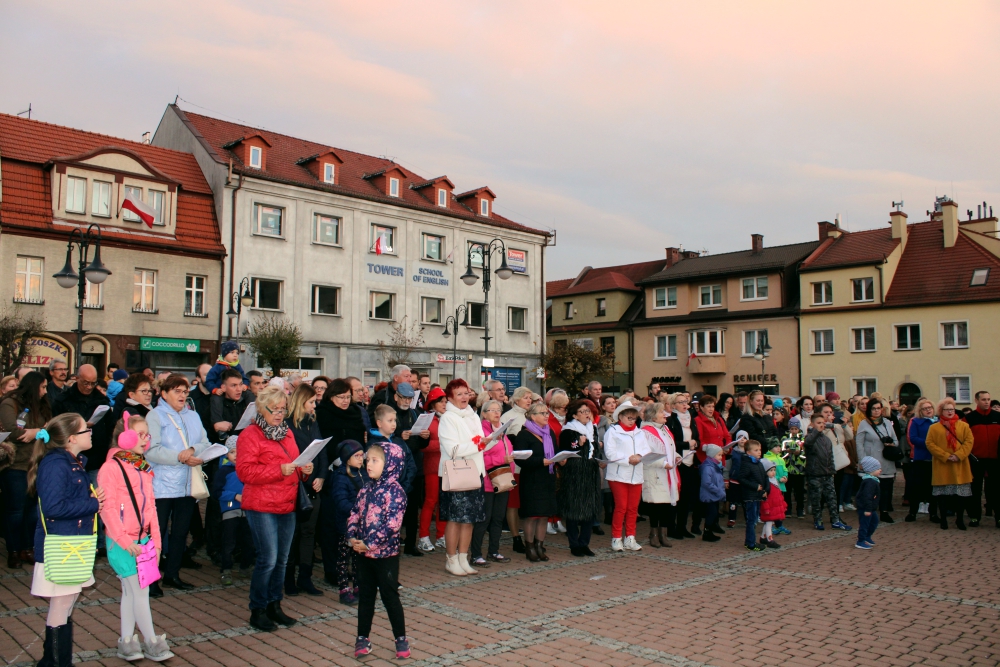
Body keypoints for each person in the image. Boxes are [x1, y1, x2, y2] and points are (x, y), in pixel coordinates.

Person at [27, 413, 103, 667]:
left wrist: (92, 499)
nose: (90, 433)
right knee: (61, 606)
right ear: (71, 438)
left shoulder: (71, 461)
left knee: (65, 604)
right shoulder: (56, 464)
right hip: (62, 545)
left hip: (72, 543)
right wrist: (92, 504)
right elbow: (54, 507)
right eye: (85, 430)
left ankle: (54, 660)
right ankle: (56, 662)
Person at [97, 412, 174, 662]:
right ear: (125, 437)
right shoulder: (110, 468)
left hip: (143, 542)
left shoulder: (142, 467)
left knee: (131, 592)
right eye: (140, 434)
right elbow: (107, 510)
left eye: (147, 435)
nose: (145, 439)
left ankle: (127, 641)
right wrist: (123, 540)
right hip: (122, 543)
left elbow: (151, 509)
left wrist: (157, 542)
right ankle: (152, 641)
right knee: (140, 592)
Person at [236, 385, 313, 631]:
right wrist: (278, 470)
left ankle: (274, 605)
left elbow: (294, 465)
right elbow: (244, 472)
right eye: (275, 410)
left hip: (287, 503)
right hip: (262, 505)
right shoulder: (250, 435)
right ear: (262, 409)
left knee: (282, 560)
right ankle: (257, 609)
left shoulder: (287, 433)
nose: (280, 414)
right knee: (268, 559)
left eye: (283, 409)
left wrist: (304, 470)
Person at [143, 374, 210, 597]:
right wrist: (180, 457)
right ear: (164, 394)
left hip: (187, 484)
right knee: (157, 533)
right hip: (162, 485)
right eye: (177, 391)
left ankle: (172, 574)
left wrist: (192, 451)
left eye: (185, 391)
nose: (182, 395)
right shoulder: (155, 415)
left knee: (180, 532)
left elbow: (205, 442)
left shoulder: (193, 416)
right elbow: (151, 450)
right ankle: (151, 579)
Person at [348, 443, 410, 660]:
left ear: (390, 463)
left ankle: (400, 638)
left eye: (375, 460)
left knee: (389, 596)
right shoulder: (366, 488)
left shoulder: (395, 492)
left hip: (386, 556)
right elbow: (355, 513)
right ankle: (362, 637)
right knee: (365, 596)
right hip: (364, 554)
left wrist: (370, 543)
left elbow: (392, 525)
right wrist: (352, 536)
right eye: (368, 460)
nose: (369, 464)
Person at [50, 364, 113, 553]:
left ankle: (98, 541)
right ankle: (79, 538)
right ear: (77, 378)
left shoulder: (101, 399)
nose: (89, 387)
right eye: (85, 382)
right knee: (76, 498)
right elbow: (58, 426)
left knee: (98, 499)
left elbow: (110, 427)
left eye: (93, 383)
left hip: (96, 456)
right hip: (72, 457)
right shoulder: (64, 399)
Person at [0, 370, 51, 568]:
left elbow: (48, 427)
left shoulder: (42, 405)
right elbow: (13, 431)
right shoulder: (9, 403)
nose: (45, 391)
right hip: (16, 465)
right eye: (43, 387)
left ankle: (27, 548)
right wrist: (37, 432)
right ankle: (13, 550)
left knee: (32, 511)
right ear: (33, 387)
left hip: (36, 464)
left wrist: (37, 432)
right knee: (15, 511)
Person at [436, 379, 487, 577]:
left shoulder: (472, 415)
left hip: (475, 472)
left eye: (466, 393)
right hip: (456, 473)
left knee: (469, 519)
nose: (464, 397)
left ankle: (463, 558)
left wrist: (491, 441)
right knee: (455, 519)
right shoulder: (448, 418)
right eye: (459, 394)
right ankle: (451, 559)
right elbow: (453, 449)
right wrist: (480, 444)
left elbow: (480, 443)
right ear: (450, 398)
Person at [283, 384, 328, 597]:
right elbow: (287, 455)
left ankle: (305, 577)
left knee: (309, 533)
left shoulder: (313, 422)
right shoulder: (287, 425)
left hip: (313, 485)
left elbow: (321, 450)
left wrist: (321, 476)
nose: (314, 406)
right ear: (301, 402)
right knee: (293, 534)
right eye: (311, 402)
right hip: (295, 485)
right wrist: (302, 469)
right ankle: (288, 578)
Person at [367, 404, 418, 557]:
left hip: (402, 488)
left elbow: (411, 464)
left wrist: (404, 486)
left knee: (404, 519)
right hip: (382, 493)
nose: (394, 424)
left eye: (395, 420)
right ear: (379, 423)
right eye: (389, 420)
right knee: (384, 523)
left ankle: (403, 548)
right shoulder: (373, 444)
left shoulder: (399, 441)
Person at [555, 400, 602, 557]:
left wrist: (599, 457)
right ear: (574, 415)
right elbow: (565, 451)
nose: (586, 414)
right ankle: (574, 544)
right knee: (574, 509)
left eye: (588, 411)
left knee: (590, 507)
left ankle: (584, 543)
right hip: (575, 472)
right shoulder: (568, 431)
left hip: (590, 471)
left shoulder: (592, 429)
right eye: (582, 411)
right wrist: (577, 444)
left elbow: (595, 449)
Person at [514, 403, 560, 562]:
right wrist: (541, 461)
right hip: (532, 479)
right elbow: (520, 459)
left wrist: (561, 458)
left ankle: (540, 546)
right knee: (532, 515)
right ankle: (530, 547)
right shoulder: (524, 435)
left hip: (547, 478)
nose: (547, 416)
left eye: (547, 413)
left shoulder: (549, 432)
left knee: (544, 515)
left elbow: (555, 451)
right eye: (543, 413)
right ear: (532, 416)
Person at [471, 399, 514, 565]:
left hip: (502, 479)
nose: (497, 413)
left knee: (498, 518)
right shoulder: (482, 431)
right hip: (487, 481)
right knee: (484, 519)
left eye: (499, 410)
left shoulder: (502, 430)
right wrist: (501, 459)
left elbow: (507, 452)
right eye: (492, 410)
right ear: (484, 413)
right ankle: (476, 554)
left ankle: (494, 551)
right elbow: (480, 456)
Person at [603, 401, 648, 552]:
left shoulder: (640, 432)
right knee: (621, 507)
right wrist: (628, 459)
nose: (632, 421)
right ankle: (616, 538)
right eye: (629, 417)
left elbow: (646, 449)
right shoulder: (613, 431)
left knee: (633, 508)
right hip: (618, 475)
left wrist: (639, 456)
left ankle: (630, 537)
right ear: (620, 417)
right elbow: (610, 452)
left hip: (636, 475)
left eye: (634, 418)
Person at [926, 398, 975, 530]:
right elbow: (930, 443)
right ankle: (943, 520)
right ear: (941, 411)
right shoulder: (934, 427)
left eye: (952, 409)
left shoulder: (964, 426)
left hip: (960, 465)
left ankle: (960, 520)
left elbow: (969, 441)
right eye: (947, 409)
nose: (950, 412)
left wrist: (958, 455)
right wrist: (945, 456)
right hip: (943, 465)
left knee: (961, 495)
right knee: (942, 495)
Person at [639, 401, 679, 549]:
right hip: (654, 472)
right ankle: (654, 533)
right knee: (656, 505)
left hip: (668, 472)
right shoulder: (645, 432)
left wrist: (676, 456)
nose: (665, 414)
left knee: (666, 505)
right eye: (661, 412)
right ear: (653, 417)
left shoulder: (665, 429)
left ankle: (664, 533)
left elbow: (670, 448)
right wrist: (662, 463)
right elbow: (645, 454)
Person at [330, 440, 365, 604]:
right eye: (356, 456)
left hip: (361, 524)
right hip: (346, 524)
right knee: (344, 558)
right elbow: (340, 501)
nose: (360, 459)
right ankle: (344, 589)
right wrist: (357, 511)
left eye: (362, 455)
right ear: (347, 458)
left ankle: (358, 586)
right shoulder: (340, 477)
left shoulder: (363, 474)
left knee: (359, 557)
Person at [214, 440, 254, 586]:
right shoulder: (224, 471)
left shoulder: (249, 469)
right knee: (229, 541)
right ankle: (226, 570)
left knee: (249, 541)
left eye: (239, 451)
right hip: (230, 510)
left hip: (248, 510)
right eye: (232, 452)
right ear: (226, 454)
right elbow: (216, 492)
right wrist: (234, 496)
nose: (236, 455)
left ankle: (245, 567)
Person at [499, 386, 533, 550]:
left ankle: (530, 537)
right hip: (514, 467)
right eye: (526, 397)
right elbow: (500, 441)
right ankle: (516, 538)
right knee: (513, 503)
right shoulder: (508, 417)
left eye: (530, 398)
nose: (529, 400)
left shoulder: (531, 415)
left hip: (530, 467)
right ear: (517, 399)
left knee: (527, 502)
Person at [804, 414, 852, 531]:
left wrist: (831, 470)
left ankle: (835, 520)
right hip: (815, 474)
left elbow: (830, 457)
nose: (821, 425)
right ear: (812, 424)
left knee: (832, 498)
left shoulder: (826, 439)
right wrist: (815, 431)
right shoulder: (809, 437)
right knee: (816, 499)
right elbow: (808, 443)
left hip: (827, 474)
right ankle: (818, 520)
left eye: (823, 423)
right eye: (818, 423)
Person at [855, 399, 899, 524]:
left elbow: (896, 440)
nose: (876, 411)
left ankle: (884, 511)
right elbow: (859, 443)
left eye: (878, 408)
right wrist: (862, 460)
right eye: (873, 408)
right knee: (870, 487)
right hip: (871, 460)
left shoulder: (887, 422)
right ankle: (868, 510)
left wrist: (890, 443)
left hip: (886, 459)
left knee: (886, 487)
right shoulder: (864, 423)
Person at [415, 387, 448, 553]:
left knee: (444, 501)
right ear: (433, 404)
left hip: (447, 466)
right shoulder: (427, 419)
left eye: (446, 401)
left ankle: (441, 535)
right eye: (441, 402)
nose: (444, 404)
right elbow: (422, 445)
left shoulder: (448, 418)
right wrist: (443, 444)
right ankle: (424, 536)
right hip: (433, 466)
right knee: (430, 501)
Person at [963, 391, 1000, 527]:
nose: (987, 402)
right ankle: (974, 517)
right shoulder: (969, 418)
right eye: (984, 399)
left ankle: (998, 517)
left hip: (995, 459)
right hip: (976, 459)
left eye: (988, 399)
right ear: (977, 401)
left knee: (996, 490)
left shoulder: (998, 416)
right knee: (975, 489)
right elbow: (963, 439)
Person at [666, 393, 700, 538]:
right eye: (680, 402)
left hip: (690, 461)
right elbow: (670, 443)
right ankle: (671, 528)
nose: (685, 404)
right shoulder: (670, 421)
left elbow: (696, 437)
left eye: (686, 401)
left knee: (686, 497)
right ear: (673, 405)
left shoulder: (692, 419)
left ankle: (682, 526)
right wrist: (687, 444)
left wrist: (696, 443)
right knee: (676, 496)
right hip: (678, 462)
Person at [905, 398, 937, 522]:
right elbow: (913, 438)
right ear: (920, 411)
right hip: (921, 457)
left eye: (930, 408)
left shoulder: (938, 421)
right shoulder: (916, 421)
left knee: (933, 488)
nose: (928, 410)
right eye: (925, 409)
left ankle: (933, 513)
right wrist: (929, 444)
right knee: (917, 487)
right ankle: (912, 512)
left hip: (935, 458)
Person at [734, 439, 768, 551]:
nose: (759, 452)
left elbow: (764, 477)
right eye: (756, 450)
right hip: (750, 496)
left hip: (757, 496)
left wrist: (765, 490)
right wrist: (754, 486)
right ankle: (750, 543)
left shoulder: (759, 463)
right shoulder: (746, 464)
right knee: (751, 520)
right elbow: (741, 478)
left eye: (759, 450)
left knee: (754, 520)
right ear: (748, 452)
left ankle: (751, 541)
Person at [317, 378, 367, 452]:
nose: (346, 401)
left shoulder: (355, 413)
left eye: (348, 397)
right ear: (331, 397)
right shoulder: (322, 414)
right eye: (342, 397)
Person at [210, 368, 252, 443]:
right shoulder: (215, 404)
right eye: (233, 385)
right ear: (223, 388)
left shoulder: (247, 399)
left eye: (240, 384)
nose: (239, 389)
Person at [699, 444, 726, 543]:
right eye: (719, 455)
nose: (721, 457)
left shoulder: (715, 466)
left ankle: (709, 531)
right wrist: (718, 490)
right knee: (711, 513)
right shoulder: (708, 467)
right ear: (712, 455)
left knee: (713, 513)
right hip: (710, 495)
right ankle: (707, 532)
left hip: (714, 494)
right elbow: (706, 483)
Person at [758, 458, 787, 548]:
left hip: (774, 506)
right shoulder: (766, 483)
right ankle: (770, 540)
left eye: (774, 470)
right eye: (771, 470)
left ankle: (763, 537)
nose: (773, 472)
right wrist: (766, 507)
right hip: (769, 507)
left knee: (769, 522)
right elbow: (765, 498)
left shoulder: (774, 481)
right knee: (769, 522)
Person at [763, 440, 790, 536]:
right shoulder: (767, 458)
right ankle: (771, 525)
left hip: (780, 486)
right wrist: (778, 478)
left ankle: (779, 525)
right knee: (771, 506)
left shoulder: (781, 459)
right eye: (776, 446)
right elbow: (768, 473)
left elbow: (785, 469)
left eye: (779, 446)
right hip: (772, 486)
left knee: (779, 506)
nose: (778, 448)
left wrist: (785, 476)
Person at [781, 419, 807, 518]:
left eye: (796, 428)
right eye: (792, 428)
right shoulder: (784, 438)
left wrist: (799, 452)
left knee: (799, 491)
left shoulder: (802, 438)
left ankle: (800, 508)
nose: (794, 431)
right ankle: (788, 508)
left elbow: (805, 452)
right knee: (787, 490)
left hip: (799, 469)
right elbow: (781, 450)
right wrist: (787, 451)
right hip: (787, 468)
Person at [855, 456, 881, 549]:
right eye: (878, 469)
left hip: (870, 507)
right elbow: (867, 496)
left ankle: (866, 536)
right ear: (871, 470)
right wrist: (868, 509)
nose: (880, 470)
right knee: (865, 524)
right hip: (866, 508)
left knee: (874, 521)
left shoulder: (872, 480)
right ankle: (860, 540)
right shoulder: (870, 482)